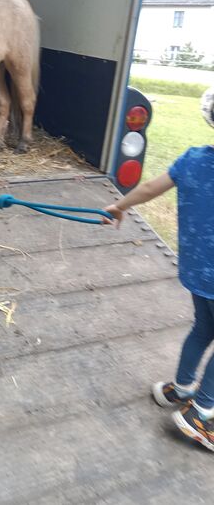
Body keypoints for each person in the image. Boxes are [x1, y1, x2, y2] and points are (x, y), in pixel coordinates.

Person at [103, 86, 214, 452]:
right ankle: (201, 413)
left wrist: (120, 206)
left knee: (204, 328)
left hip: (198, 273)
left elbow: (151, 187)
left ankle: (180, 388)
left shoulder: (193, 159)